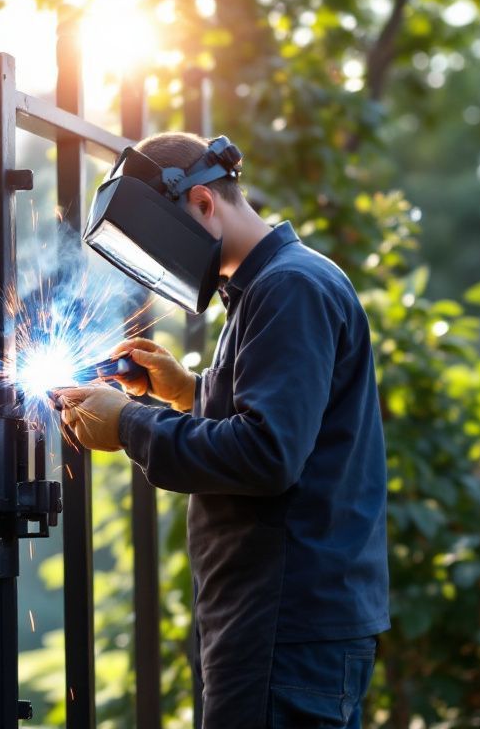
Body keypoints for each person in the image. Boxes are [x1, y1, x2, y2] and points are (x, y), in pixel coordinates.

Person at [54, 132, 389, 728]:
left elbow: (267, 455)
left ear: (204, 204)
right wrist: (187, 392)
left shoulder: (289, 288)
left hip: (282, 624)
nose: (163, 269)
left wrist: (128, 424)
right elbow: (285, 422)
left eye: (161, 246)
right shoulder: (273, 285)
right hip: (282, 621)